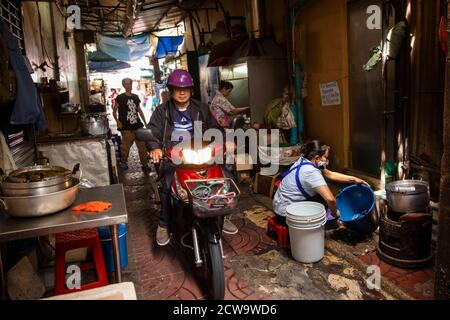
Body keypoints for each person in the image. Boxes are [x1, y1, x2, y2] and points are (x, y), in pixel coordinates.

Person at [147, 69, 238, 246]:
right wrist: (155, 148)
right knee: (167, 185)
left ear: (191, 90)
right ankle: (163, 224)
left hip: (201, 154)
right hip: (174, 157)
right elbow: (153, 132)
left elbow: (216, 129)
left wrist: (226, 142)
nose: (182, 92)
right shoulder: (162, 111)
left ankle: (223, 215)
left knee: (227, 177)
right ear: (171, 90)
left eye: (186, 88)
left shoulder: (201, 108)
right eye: (177, 88)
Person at [273, 140, 369, 225]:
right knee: (324, 202)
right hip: (286, 216)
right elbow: (331, 200)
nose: (327, 161)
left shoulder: (303, 160)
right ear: (317, 158)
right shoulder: (311, 172)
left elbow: (329, 174)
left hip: (279, 206)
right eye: (326, 157)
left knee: (320, 196)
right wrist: (336, 213)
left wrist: (355, 179)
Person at [113, 78, 150, 171]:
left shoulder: (135, 97)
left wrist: (145, 122)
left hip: (138, 126)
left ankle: (145, 164)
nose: (128, 85)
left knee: (143, 147)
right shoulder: (120, 97)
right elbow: (114, 111)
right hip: (126, 127)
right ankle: (123, 162)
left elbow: (139, 110)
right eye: (126, 84)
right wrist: (118, 121)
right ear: (123, 85)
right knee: (125, 147)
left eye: (129, 83)